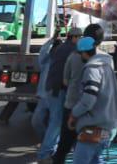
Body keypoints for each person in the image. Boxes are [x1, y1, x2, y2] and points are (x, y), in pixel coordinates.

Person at [56, 23, 105, 163]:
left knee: (64, 146)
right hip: (94, 110)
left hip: (72, 105)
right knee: (92, 150)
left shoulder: (73, 56)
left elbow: (65, 81)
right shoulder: (106, 59)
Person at [69, 36, 117, 164]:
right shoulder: (106, 65)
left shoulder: (92, 69)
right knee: (96, 160)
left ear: (83, 53)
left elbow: (88, 100)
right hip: (107, 127)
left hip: (93, 127)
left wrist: (74, 114)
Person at [36, 27, 79, 163]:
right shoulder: (72, 50)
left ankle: (51, 150)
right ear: (74, 37)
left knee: (55, 121)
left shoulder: (60, 48)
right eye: (79, 37)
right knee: (56, 122)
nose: (80, 40)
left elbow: (44, 53)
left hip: (51, 90)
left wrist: (53, 39)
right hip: (57, 90)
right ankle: (44, 154)